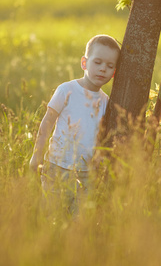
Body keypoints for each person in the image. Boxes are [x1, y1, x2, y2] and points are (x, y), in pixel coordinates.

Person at [29, 34, 120, 217]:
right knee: (52, 214)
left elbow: (103, 137)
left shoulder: (105, 102)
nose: (103, 69)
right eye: (98, 62)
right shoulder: (67, 90)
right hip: (57, 166)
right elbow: (47, 122)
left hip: (86, 173)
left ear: (114, 72)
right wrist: (37, 154)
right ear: (84, 63)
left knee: (80, 220)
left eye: (109, 66)